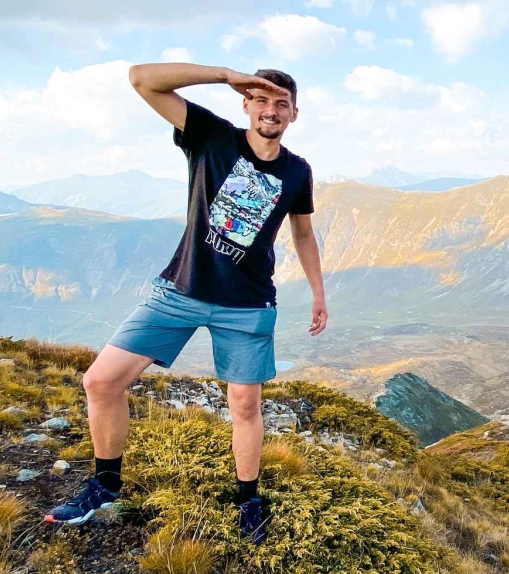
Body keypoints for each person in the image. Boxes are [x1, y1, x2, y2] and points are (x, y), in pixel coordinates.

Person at [44, 62, 327, 540]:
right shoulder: (211, 137)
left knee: (244, 404)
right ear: (246, 104)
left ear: (295, 114)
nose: (271, 110)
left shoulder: (297, 171)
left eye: (281, 103)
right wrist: (224, 75)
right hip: (180, 289)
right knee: (101, 382)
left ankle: (248, 499)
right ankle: (105, 484)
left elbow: (303, 232)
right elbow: (141, 79)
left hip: (247, 303)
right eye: (261, 99)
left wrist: (319, 292)